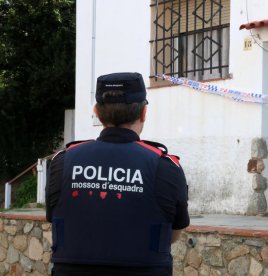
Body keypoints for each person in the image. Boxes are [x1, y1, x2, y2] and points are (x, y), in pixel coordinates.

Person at [45, 72, 190, 276]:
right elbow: (173, 234)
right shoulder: (166, 166)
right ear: (143, 113)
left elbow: (55, 219)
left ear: (96, 111)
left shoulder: (62, 161)